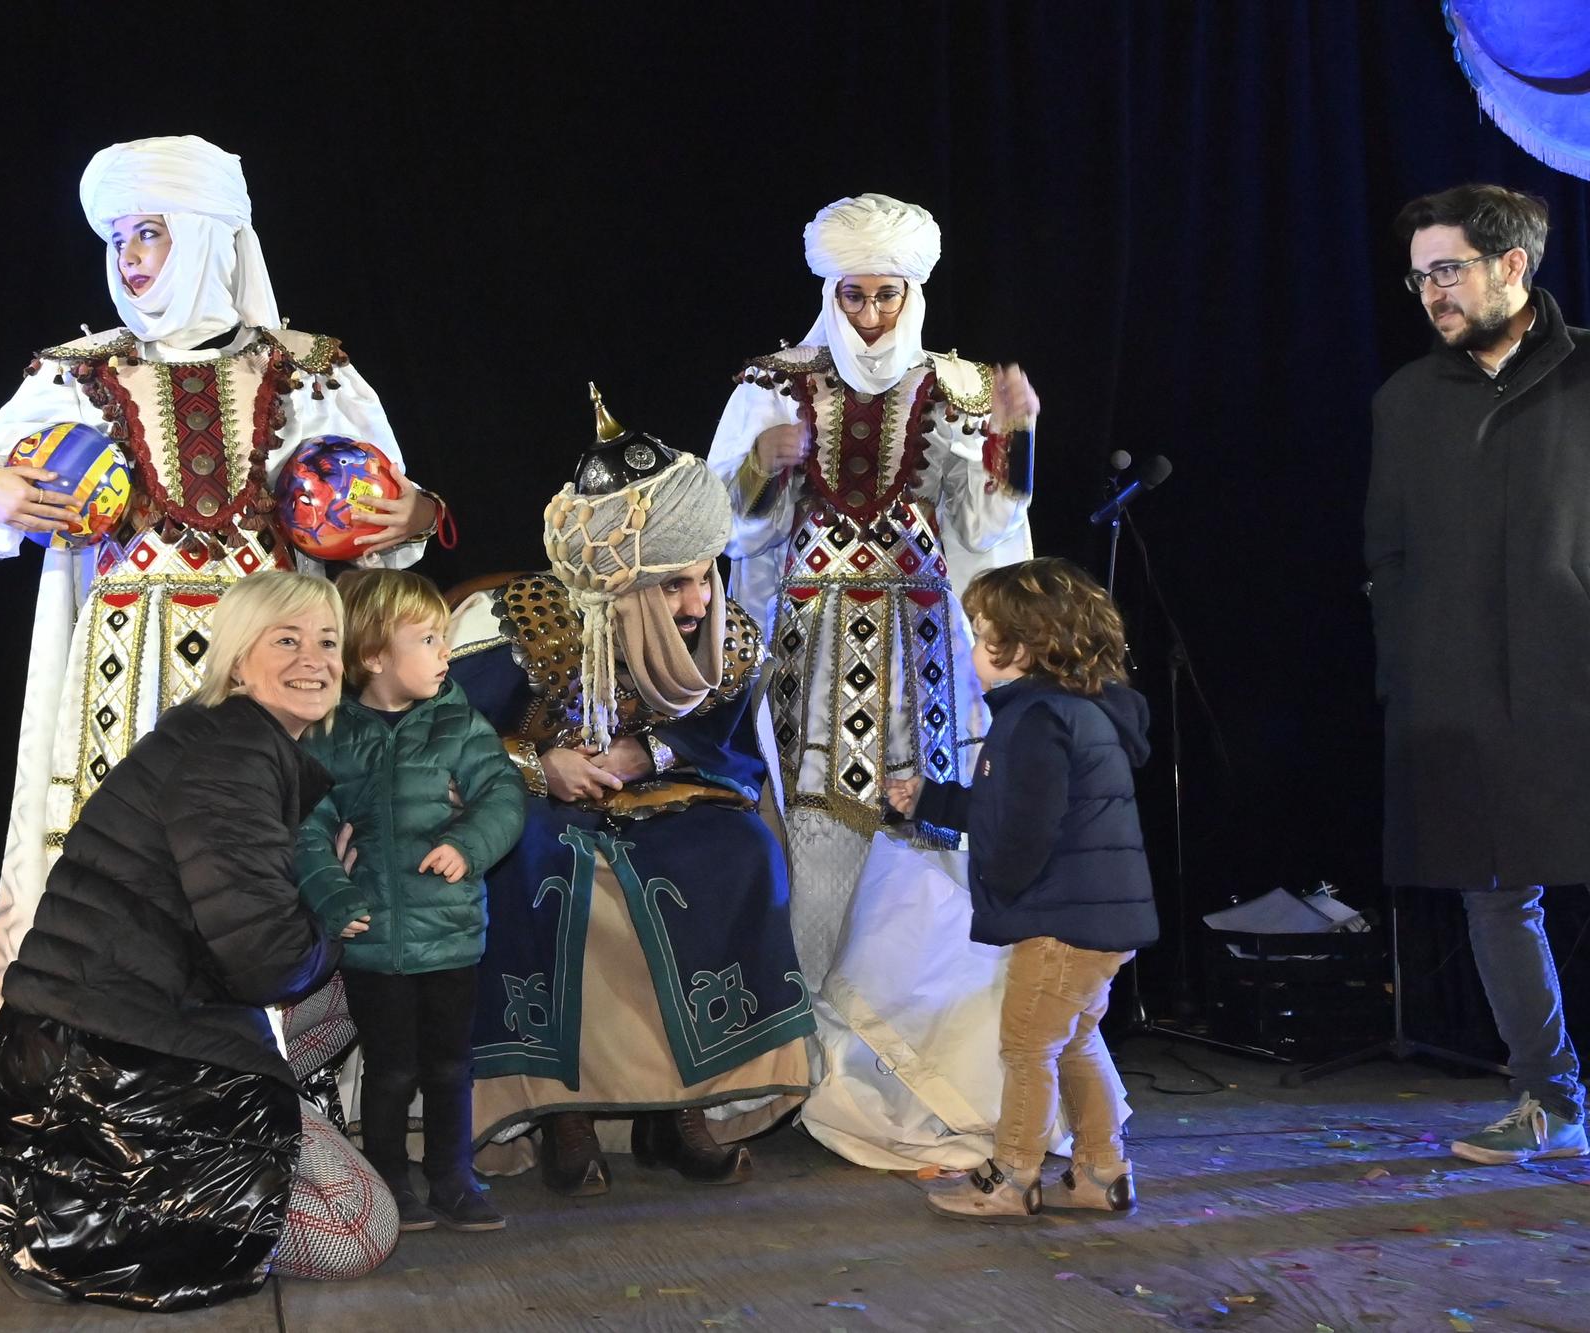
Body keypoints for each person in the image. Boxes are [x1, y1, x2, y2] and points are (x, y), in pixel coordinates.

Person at [0, 135, 442, 1188]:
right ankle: (59, 1106)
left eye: (152, 232)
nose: (135, 258)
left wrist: (416, 510)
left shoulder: (307, 370)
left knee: (267, 874)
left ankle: (279, 1116)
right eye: (119, 238)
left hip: (269, 678)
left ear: (207, 236)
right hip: (121, 682)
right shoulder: (78, 377)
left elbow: (393, 515)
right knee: (109, 885)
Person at [705, 193, 1068, 1170]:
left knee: (924, 850)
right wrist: (758, 474)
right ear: (829, 291)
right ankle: (796, 1068)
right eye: (852, 293)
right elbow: (720, 528)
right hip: (808, 654)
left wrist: (1013, 443)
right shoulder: (770, 386)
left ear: (912, 292)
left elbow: (987, 529)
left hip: (924, 658)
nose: (868, 313)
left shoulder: (956, 388)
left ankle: (905, 1071)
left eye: (885, 294)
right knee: (816, 850)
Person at [0, 571, 397, 1310]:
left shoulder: (222, 737)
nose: (313, 658)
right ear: (237, 658)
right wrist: (327, 922)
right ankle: (164, 1220)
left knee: (353, 991)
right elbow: (269, 959)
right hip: (123, 1069)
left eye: (327, 641)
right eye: (286, 639)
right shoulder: (235, 753)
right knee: (361, 1230)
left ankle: (265, 1152)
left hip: (87, 1046)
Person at [446, 392, 813, 1196]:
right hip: (540, 800)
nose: (696, 604)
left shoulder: (725, 636)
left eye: (703, 578)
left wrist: (650, 750)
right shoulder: (521, 626)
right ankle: (559, 1112)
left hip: (669, 798)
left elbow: (732, 747)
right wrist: (544, 767)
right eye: (673, 585)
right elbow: (447, 743)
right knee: (537, 859)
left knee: (737, 851)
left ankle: (684, 1107)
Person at [1366, 183, 1590, 1166]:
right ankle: (1547, 1097)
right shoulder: (1405, 400)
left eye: (1446, 269)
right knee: (1496, 895)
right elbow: (1388, 555)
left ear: (1512, 266)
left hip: (1574, 677)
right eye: (1418, 277)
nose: (1430, 294)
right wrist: (1407, 681)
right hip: (1460, 693)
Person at [882, 558, 1156, 1223]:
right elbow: (1013, 804)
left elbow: (1023, 832)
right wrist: (932, 800)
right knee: (1076, 1039)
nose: (973, 650)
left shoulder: (1035, 718)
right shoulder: (1079, 711)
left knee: (1027, 1049)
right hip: (1100, 917)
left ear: (1024, 647)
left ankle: (1012, 1175)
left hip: (1064, 921)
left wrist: (1001, 891)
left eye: (981, 636)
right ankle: (1101, 1170)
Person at [294, 570, 527, 1232]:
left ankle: (454, 1176)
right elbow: (306, 827)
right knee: (390, 1068)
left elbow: (503, 796)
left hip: (449, 933)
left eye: (443, 639)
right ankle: (390, 1180)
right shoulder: (332, 735)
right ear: (373, 655)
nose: (444, 653)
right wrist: (333, 897)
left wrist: (470, 844)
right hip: (372, 940)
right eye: (427, 639)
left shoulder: (459, 725)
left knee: (452, 1063)